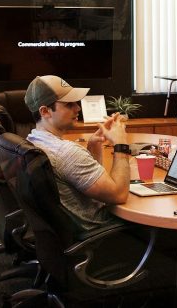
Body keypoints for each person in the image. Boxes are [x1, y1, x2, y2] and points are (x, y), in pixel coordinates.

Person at [24, 75, 132, 232]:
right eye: (69, 105)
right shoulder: (67, 153)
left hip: (66, 232)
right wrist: (121, 145)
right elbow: (119, 195)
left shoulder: (33, 139)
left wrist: (94, 145)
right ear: (45, 111)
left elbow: (86, 182)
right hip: (102, 232)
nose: (78, 108)